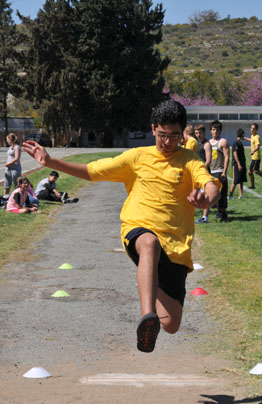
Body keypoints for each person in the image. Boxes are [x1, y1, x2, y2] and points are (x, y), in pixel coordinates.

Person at [23, 100, 221, 353]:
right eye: (162, 136)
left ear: (182, 134)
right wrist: (50, 162)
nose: (168, 142)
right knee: (149, 243)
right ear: (153, 129)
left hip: (176, 246)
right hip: (138, 230)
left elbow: (211, 186)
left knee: (171, 324)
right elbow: (92, 171)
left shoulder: (189, 160)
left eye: (174, 136)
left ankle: (153, 286)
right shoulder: (137, 157)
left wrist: (207, 199)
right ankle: (147, 316)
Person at [207, 120, 230, 222]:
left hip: (220, 170)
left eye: (217, 129)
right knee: (214, 193)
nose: (215, 131)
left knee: (222, 193)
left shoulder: (223, 141)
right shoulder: (208, 143)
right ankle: (218, 211)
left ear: (220, 131)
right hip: (211, 171)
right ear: (211, 131)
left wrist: (224, 172)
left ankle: (223, 213)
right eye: (213, 129)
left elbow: (226, 157)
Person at [244, 123, 262, 190]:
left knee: (250, 171)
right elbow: (251, 140)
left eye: (253, 128)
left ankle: (254, 185)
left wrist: (253, 151)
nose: (252, 129)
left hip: (256, 157)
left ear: (256, 129)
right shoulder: (252, 136)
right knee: (255, 171)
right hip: (254, 157)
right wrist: (244, 138)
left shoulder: (257, 137)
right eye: (251, 128)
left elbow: (258, 146)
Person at [194, 124, 212, 223]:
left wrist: (201, 170)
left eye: (200, 132)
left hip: (203, 173)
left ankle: (205, 217)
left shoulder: (207, 144)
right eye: (196, 133)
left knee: (205, 195)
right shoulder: (197, 143)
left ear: (204, 133)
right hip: (197, 173)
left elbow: (208, 160)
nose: (198, 134)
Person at [229, 128, 247, 199]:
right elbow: (235, 153)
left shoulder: (240, 143)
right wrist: (239, 164)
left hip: (242, 164)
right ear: (242, 135)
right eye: (244, 135)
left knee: (241, 180)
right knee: (235, 180)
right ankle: (230, 195)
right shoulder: (235, 143)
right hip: (236, 165)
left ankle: (240, 195)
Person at [3, 133, 22, 198]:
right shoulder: (11, 147)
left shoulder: (17, 147)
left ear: (10, 139)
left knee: (17, 184)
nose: (6, 141)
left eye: (7, 139)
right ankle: (5, 198)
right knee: (6, 184)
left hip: (15, 169)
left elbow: (16, 158)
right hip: (8, 168)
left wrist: (8, 164)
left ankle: (17, 199)